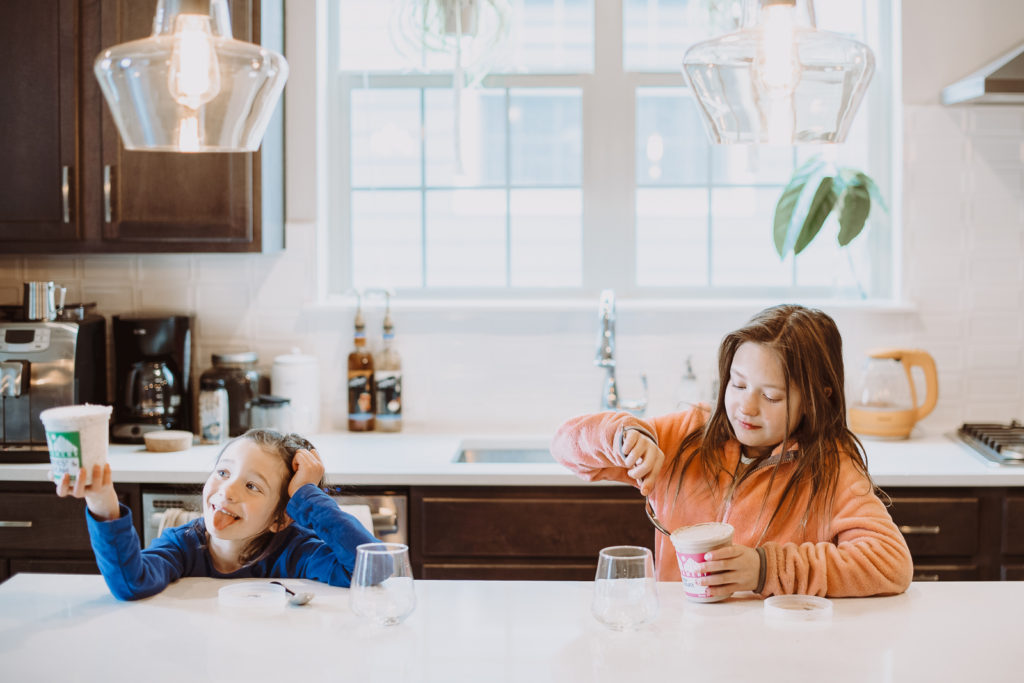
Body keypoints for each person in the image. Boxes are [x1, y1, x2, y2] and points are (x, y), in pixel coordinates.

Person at [551, 304, 913, 599]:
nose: (746, 407)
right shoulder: (687, 437)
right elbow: (565, 444)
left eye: (771, 396)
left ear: (818, 398)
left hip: (774, 651)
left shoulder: (831, 467)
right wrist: (621, 437)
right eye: (738, 385)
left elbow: (890, 563)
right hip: (679, 641)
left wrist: (765, 569)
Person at [55, 429, 379, 600]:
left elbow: (370, 569)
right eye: (223, 473)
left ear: (281, 518)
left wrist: (307, 495)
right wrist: (102, 502)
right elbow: (131, 583)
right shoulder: (183, 545)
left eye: (252, 486)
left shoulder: (296, 551)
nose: (227, 491)